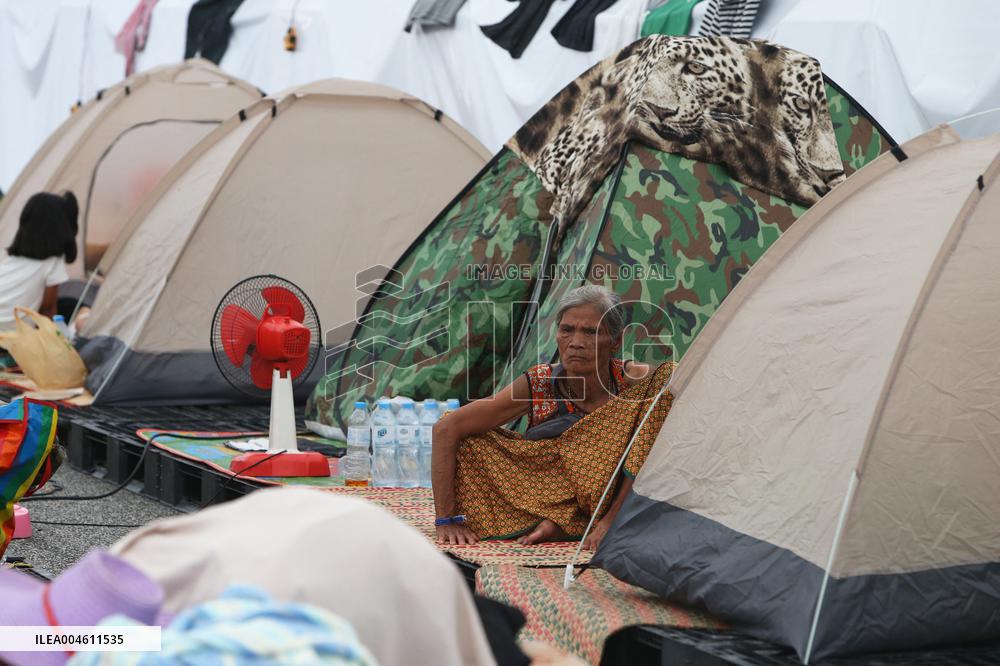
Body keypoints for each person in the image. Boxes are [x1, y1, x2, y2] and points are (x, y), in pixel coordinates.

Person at [432, 285, 675, 549]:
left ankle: (598, 521)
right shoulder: (539, 382)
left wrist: (610, 520)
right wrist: (446, 519)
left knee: (667, 385)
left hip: (613, 496)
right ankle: (563, 521)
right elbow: (447, 428)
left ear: (616, 341)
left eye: (591, 332)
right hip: (546, 492)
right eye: (567, 330)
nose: (576, 343)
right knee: (468, 443)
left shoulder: (635, 382)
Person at [0, 192, 78, 332]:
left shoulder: (11, 261)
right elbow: (47, 312)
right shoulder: (52, 262)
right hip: (8, 341)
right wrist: (63, 338)